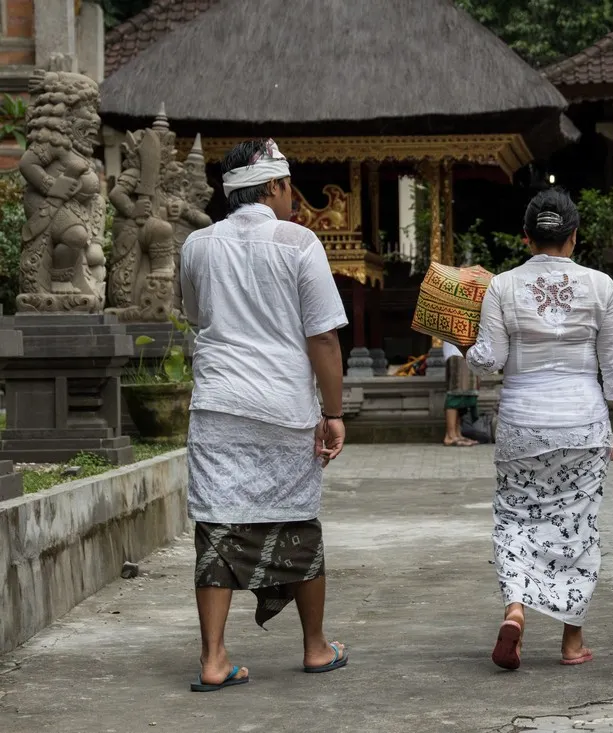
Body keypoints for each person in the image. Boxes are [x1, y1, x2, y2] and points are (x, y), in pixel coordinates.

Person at [180, 139, 350, 692]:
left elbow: (197, 315)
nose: (292, 196)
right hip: (283, 409)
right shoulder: (300, 242)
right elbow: (322, 336)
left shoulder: (198, 245)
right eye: (288, 186)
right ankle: (315, 647)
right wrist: (334, 413)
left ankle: (213, 657)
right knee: (296, 522)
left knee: (218, 525)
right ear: (275, 186)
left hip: (219, 407)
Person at [464, 188, 613, 670]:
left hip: (522, 425)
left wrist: (461, 341)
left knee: (515, 520)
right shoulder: (601, 286)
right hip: (582, 425)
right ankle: (570, 642)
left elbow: (489, 362)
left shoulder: (503, 286)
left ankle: (515, 610)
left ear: (526, 238)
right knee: (576, 528)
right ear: (574, 236)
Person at [442, 341, 478, 447]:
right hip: (457, 352)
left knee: (463, 395)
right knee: (455, 394)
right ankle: (450, 435)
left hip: (467, 353)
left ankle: (457, 434)